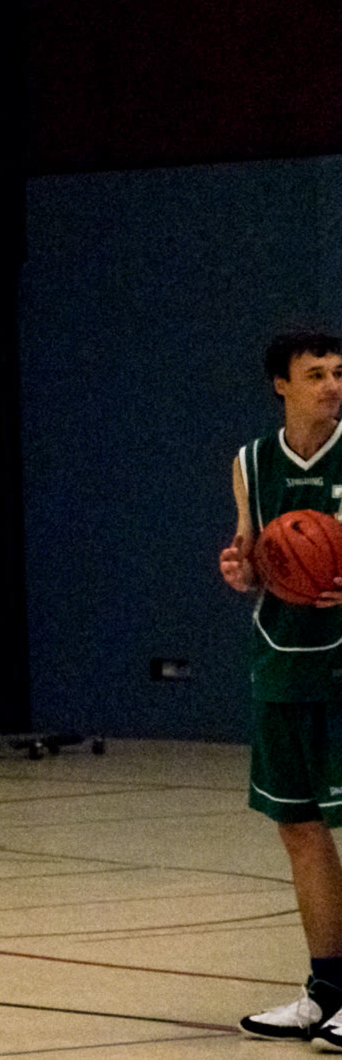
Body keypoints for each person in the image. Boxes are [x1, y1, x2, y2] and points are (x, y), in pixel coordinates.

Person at [221, 331, 342, 1046]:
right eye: (316, 374)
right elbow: (256, 555)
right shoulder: (250, 462)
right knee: (299, 829)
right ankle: (327, 990)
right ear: (281, 384)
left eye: (339, 373)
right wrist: (243, 569)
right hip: (282, 660)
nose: (332, 385)